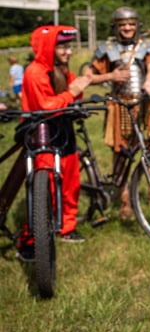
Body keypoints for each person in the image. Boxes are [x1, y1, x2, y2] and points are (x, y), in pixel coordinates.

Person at [84, 6, 150, 220]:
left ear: (137, 25)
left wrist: (148, 86)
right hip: (119, 106)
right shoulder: (107, 48)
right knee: (121, 155)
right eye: (123, 25)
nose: (128, 28)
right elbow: (88, 75)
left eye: (131, 24)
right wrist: (110, 76)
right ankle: (124, 202)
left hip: (145, 104)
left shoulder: (149, 46)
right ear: (116, 27)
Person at [17, 26, 93, 258]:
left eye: (69, 47)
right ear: (48, 47)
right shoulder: (35, 72)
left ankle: (67, 227)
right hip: (41, 133)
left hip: (63, 130)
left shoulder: (60, 69)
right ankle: (30, 239)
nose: (69, 52)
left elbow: (71, 94)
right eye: (63, 47)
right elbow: (46, 106)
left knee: (71, 182)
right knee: (44, 187)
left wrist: (76, 92)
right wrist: (71, 93)